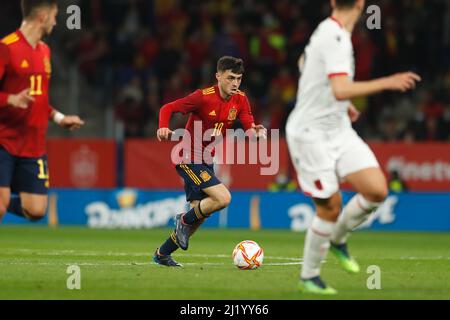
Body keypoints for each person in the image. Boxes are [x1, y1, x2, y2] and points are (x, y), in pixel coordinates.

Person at [285, 0, 421, 294]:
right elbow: (340, 88)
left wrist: (342, 106)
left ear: (334, 2)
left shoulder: (329, 33)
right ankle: (309, 276)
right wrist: (388, 81)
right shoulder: (334, 37)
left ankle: (337, 239)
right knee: (331, 206)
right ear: (361, 4)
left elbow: (304, 65)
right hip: (311, 133)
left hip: (338, 129)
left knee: (376, 190)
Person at [153, 56, 266, 267]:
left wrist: (255, 132)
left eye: (239, 79)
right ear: (218, 76)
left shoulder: (240, 99)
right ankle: (183, 219)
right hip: (186, 156)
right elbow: (167, 108)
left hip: (206, 159)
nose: (235, 83)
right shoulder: (202, 97)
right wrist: (162, 126)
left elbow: (249, 125)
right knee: (223, 198)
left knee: (200, 215)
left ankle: (162, 254)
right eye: (231, 78)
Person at [0, 0, 85, 223]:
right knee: (0, 206)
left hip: (33, 145)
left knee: (36, 211)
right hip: (4, 140)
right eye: (55, 16)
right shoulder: (6, 48)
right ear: (42, 17)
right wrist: (10, 99)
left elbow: (40, 100)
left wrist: (60, 118)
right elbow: (12, 98)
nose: (56, 22)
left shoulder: (45, 52)